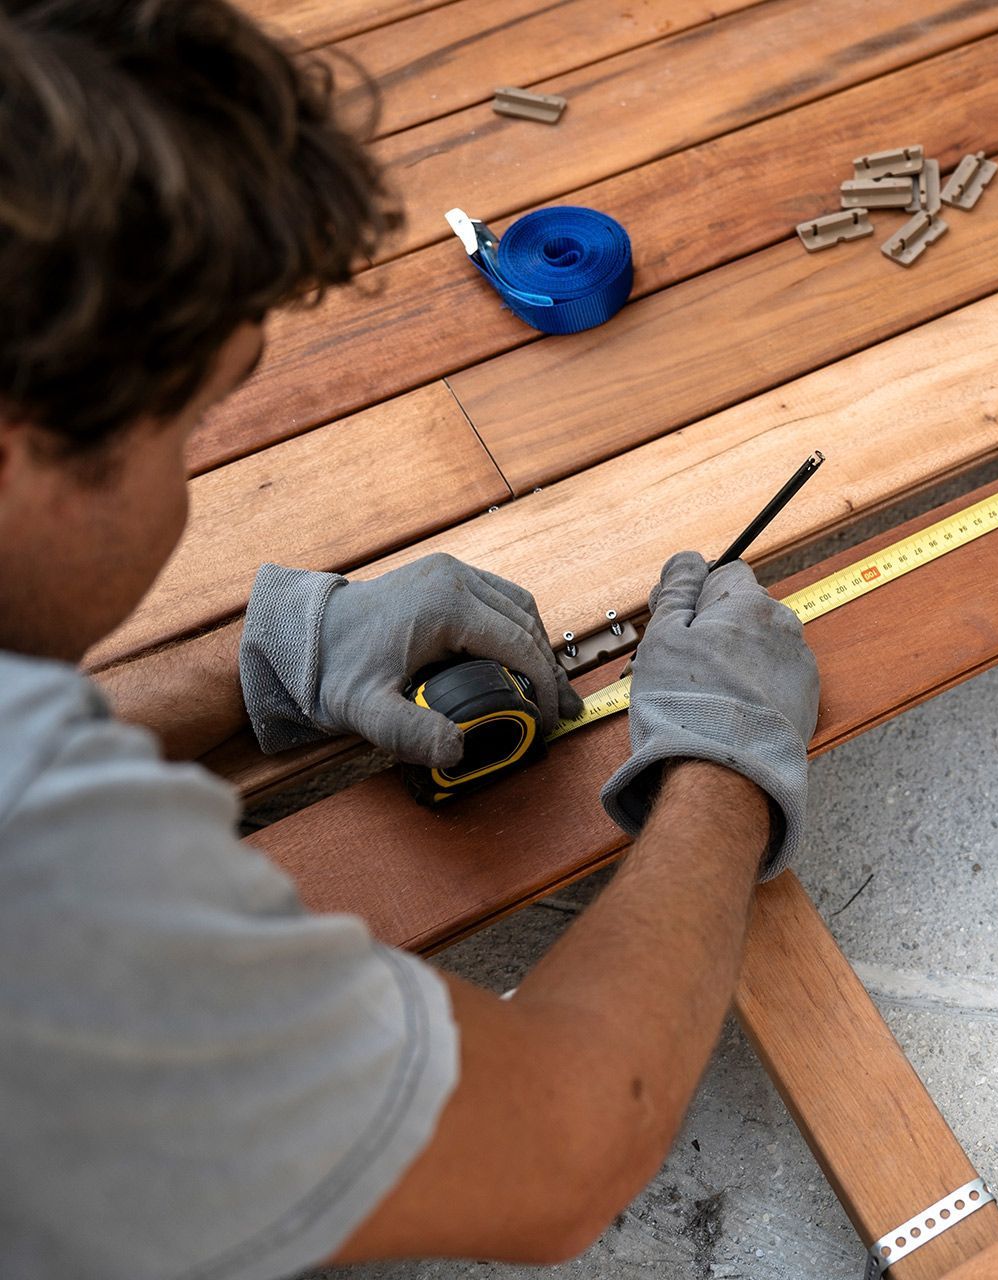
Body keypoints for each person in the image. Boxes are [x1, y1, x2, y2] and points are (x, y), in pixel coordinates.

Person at [0, 2, 820, 1275]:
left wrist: (260, 660)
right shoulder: (61, 915)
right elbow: (559, 1144)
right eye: (185, 431)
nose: (183, 489)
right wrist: (720, 762)